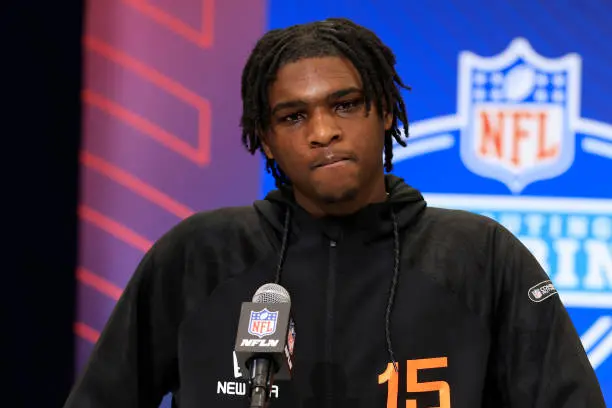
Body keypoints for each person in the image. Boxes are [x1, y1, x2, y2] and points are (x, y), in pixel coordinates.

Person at [63, 18, 605, 408]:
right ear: (267, 141)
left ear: (385, 111)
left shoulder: (481, 254)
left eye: (345, 104)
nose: (323, 131)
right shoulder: (198, 255)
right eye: (294, 116)